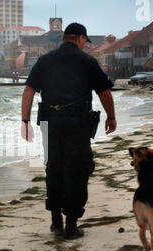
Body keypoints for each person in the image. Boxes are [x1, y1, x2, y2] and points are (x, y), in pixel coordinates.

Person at [21, 23, 117, 239]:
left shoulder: (45, 60)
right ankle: (71, 226)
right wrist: (111, 117)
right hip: (77, 124)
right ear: (81, 39)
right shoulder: (87, 61)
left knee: (54, 169)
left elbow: (28, 90)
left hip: (50, 123)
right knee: (77, 170)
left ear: (65, 38)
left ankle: (56, 221)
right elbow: (105, 93)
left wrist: (24, 121)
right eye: (85, 42)